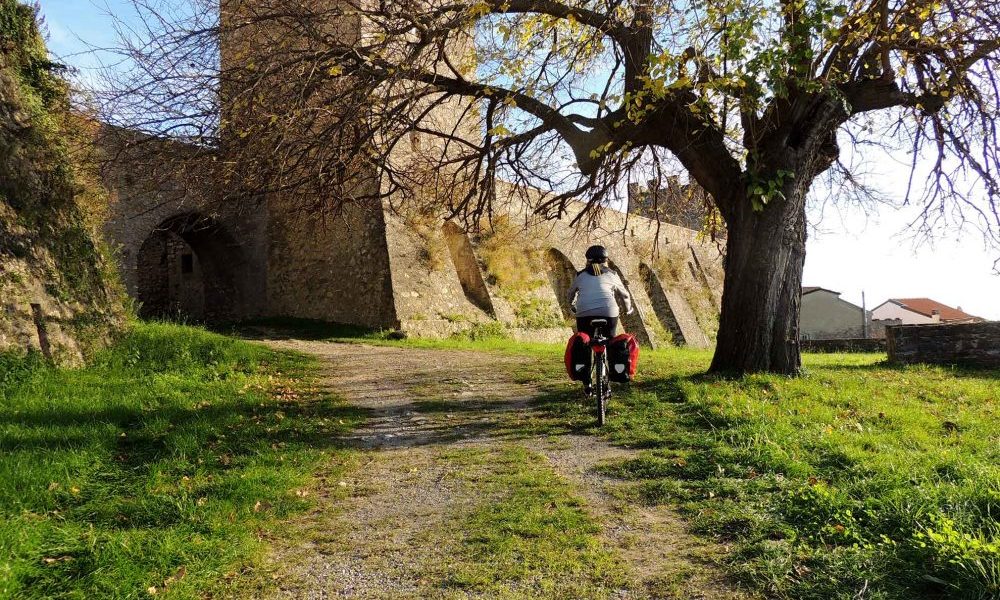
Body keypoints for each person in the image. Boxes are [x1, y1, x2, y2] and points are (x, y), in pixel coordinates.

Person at [567, 245, 634, 392]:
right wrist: (628, 309)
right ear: (606, 260)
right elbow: (624, 295)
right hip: (608, 313)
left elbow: (570, 293)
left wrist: (571, 305)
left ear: (588, 260)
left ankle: (586, 382)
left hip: (584, 313)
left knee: (585, 342)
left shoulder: (581, 275)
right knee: (610, 342)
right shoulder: (612, 274)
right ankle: (610, 375)